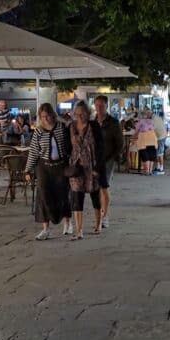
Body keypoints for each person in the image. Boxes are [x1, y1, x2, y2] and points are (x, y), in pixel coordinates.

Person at [25, 103, 72, 240]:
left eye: (48, 116)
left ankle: (67, 223)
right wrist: (28, 170)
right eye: (43, 117)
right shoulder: (38, 132)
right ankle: (45, 229)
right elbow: (33, 152)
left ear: (53, 115)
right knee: (43, 196)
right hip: (44, 167)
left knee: (63, 194)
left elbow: (69, 145)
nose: (46, 119)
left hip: (61, 166)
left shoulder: (62, 128)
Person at [67, 100, 102, 239]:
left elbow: (100, 148)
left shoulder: (94, 126)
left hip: (92, 166)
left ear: (88, 113)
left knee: (95, 195)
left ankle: (98, 223)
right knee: (77, 197)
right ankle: (79, 230)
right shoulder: (71, 127)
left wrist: (98, 167)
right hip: (76, 167)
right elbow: (68, 147)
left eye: (82, 114)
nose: (79, 117)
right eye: (77, 114)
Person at [92, 95, 123, 229]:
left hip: (107, 159)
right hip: (94, 160)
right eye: (97, 105)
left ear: (106, 106)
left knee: (104, 187)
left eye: (102, 105)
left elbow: (120, 144)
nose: (99, 108)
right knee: (96, 188)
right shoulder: (92, 123)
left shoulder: (113, 123)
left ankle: (105, 216)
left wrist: (113, 157)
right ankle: (100, 214)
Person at [134, 110, 158, 176]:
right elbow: (154, 129)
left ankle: (146, 171)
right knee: (151, 154)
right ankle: (150, 171)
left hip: (144, 139)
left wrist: (134, 137)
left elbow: (136, 131)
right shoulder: (152, 121)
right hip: (153, 139)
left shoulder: (141, 121)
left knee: (145, 154)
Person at [152, 109, 168, 174]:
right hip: (161, 136)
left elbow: (152, 129)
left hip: (161, 137)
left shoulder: (153, 120)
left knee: (159, 153)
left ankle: (161, 169)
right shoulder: (156, 117)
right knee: (158, 152)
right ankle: (158, 167)